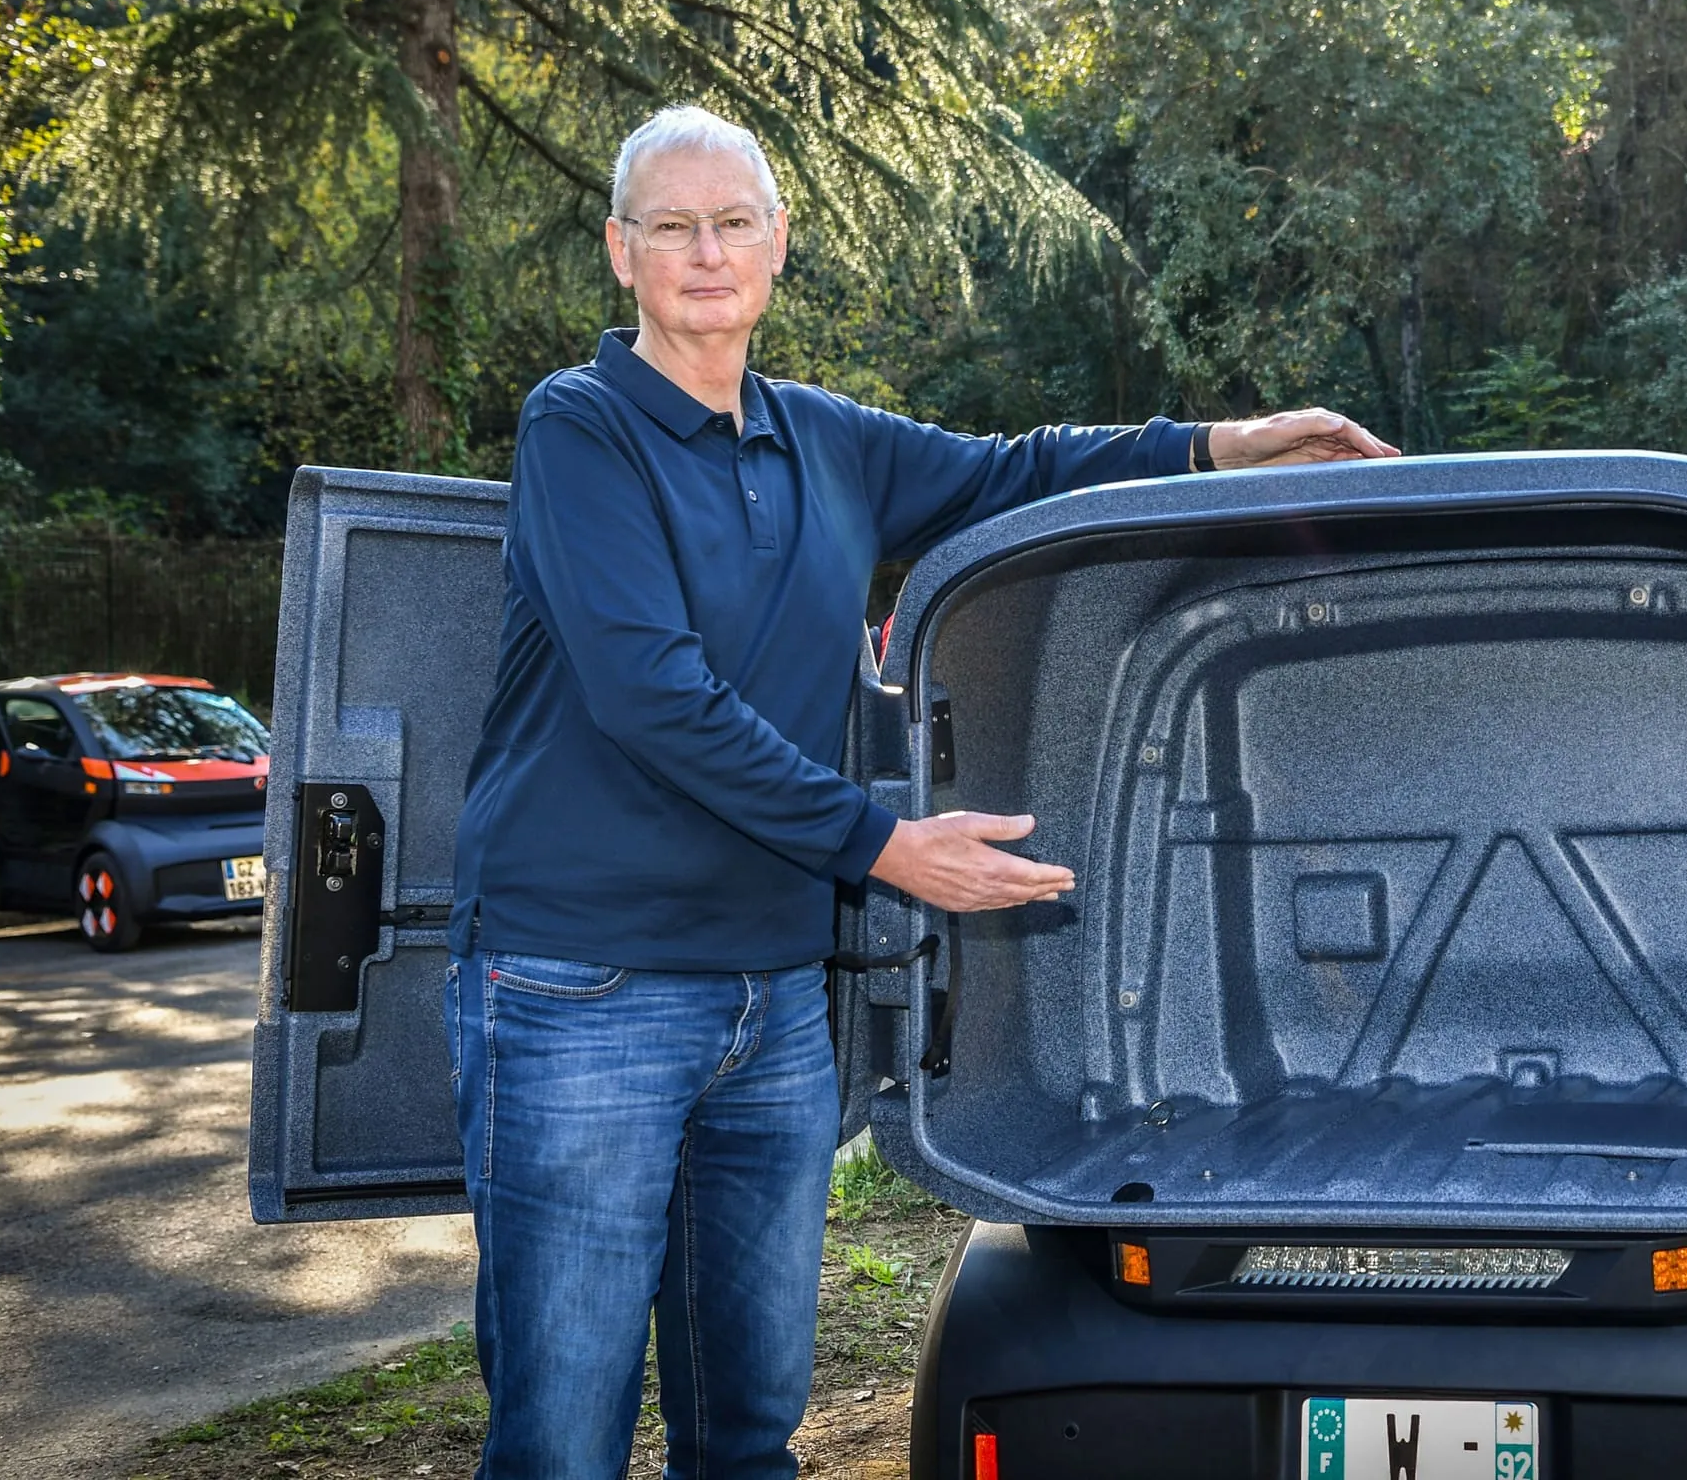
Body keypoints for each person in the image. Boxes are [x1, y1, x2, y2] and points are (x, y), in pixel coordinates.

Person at [445, 103, 1397, 1479]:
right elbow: (652, 696)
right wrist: (887, 846)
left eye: (733, 223)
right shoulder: (580, 427)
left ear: (778, 242)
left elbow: (1020, 471)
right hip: (582, 987)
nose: (707, 253)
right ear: (620, 249)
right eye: (673, 226)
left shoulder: (823, 440)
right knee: (561, 1439)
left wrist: (1221, 445)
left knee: (748, 1430)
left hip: (771, 993)